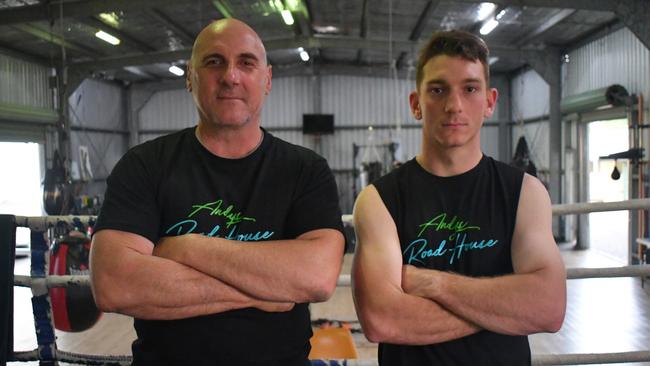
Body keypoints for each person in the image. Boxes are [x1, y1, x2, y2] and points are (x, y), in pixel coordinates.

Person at [89, 18, 345, 366]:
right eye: (213, 62)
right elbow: (114, 283)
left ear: (267, 79)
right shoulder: (145, 165)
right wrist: (265, 290)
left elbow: (315, 278)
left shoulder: (305, 170)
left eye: (246, 62)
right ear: (189, 78)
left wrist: (185, 247)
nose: (230, 76)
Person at [351, 30, 566, 365]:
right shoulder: (379, 200)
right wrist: (504, 310)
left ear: (490, 101)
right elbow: (383, 320)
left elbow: (549, 308)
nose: (454, 106)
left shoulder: (524, 192)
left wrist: (433, 284)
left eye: (470, 89)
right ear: (416, 104)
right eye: (438, 90)